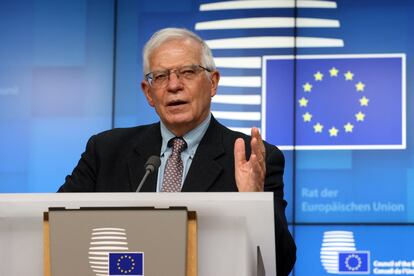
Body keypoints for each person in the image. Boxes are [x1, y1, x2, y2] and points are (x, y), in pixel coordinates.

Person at [58, 27, 296, 275]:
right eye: (160, 76)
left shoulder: (251, 157)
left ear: (212, 82)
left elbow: (280, 265)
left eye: (187, 72)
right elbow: (56, 227)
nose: (174, 85)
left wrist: (253, 203)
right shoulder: (105, 151)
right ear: (148, 93)